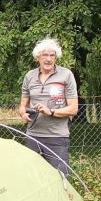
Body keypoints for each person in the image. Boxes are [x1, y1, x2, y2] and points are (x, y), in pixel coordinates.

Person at [19, 38, 78, 176]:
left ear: (56, 57)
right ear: (37, 57)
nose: (48, 59)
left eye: (52, 55)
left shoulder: (66, 75)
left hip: (57, 137)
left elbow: (73, 109)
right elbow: (22, 106)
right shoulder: (29, 76)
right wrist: (23, 114)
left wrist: (50, 111)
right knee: (33, 177)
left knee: (60, 177)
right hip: (33, 136)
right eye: (45, 55)